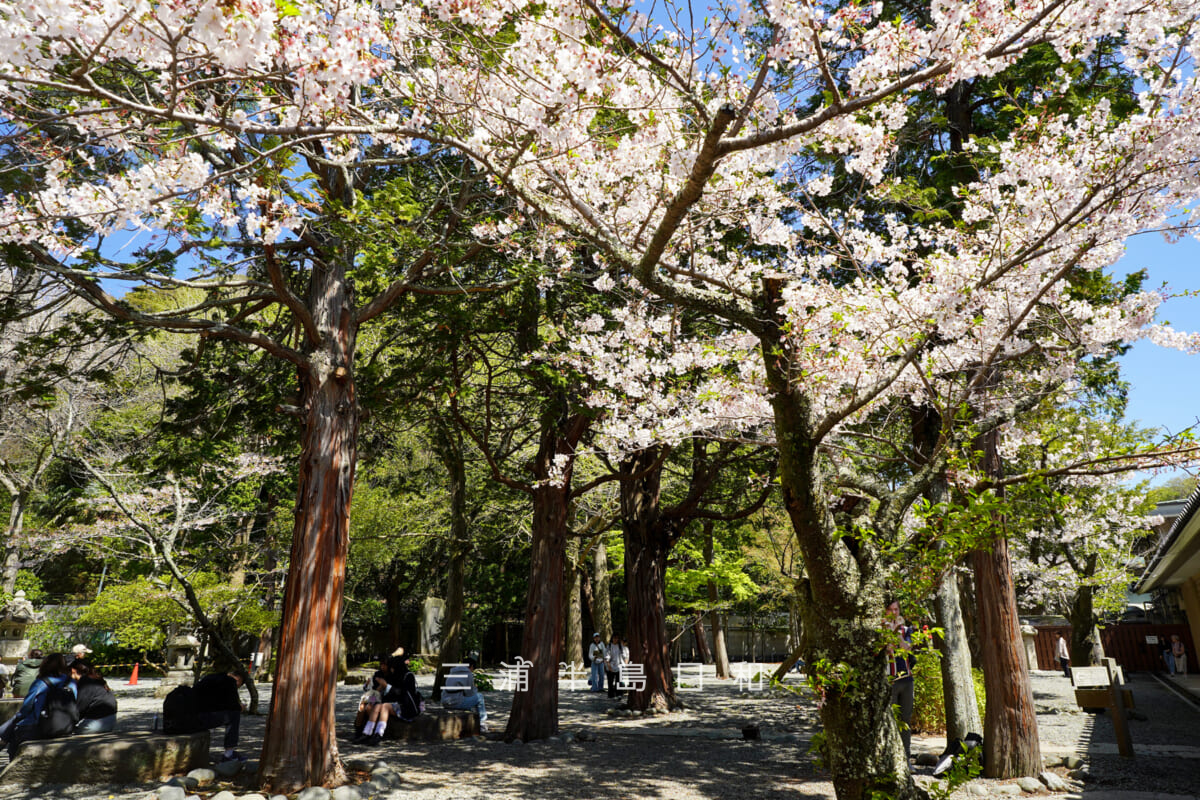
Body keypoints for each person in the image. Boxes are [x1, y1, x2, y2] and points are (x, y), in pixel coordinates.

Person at [1, 652, 76, 757]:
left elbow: (26, 708)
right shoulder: (71, 682)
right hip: (65, 725)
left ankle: (6, 750)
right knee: (13, 725)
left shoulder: (41, 683)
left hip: (39, 725)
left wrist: (17, 718)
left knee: (15, 734)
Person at [176, 670, 246, 763]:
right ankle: (229, 754)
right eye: (238, 685)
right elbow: (233, 706)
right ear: (238, 679)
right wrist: (240, 707)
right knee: (234, 714)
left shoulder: (212, 677)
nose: (236, 687)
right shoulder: (229, 681)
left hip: (182, 718)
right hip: (196, 719)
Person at [354, 651, 422, 745]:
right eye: (381, 664)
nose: (383, 667)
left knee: (377, 706)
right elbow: (373, 690)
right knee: (365, 704)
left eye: (385, 665)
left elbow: (400, 693)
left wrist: (385, 686)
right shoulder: (378, 674)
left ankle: (377, 734)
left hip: (400, 704)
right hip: (378, 697)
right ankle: (362, 732)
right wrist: (371, 687)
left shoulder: (398, 676)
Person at [885, 599, 915, 762]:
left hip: (906, 680)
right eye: (890, 610)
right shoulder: (881, 630)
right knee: (889, 721)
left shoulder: (906, 630)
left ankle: (906, 757)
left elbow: (906, 649)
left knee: (905, 720)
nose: (894, 613)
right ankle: (890, 759)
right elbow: (888, 649)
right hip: (890, 680)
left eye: (896, 610)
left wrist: (897, 632)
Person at [439, 657, 488, 733]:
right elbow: (470, 693)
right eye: (473, 668)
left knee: (469, 700)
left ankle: (473, 720)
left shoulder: (453, 671)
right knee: (479, 697)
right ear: (471, 666)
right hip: (456, 702)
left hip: (445, 701)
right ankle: (482, 722)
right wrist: (475, 688)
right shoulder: (468, 674)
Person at [72, 661, 118, 734]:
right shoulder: (96, 680)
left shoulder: (85, 682)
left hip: (98, 723)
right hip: (110, 720)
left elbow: (80, 708)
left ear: (73, 670)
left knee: (72, 731)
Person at [606, 634, 628, 699]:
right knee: (610, 681)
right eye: (614, 638)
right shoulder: (609, 646)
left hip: (619, 666)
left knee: (619, 681)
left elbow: (624, 656)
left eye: (617, 638)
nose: (615, 640)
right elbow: (607, 656)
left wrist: (626, 663)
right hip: (611, 665)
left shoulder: (620, 646)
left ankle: (619, 693)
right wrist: (608, 665)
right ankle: (611, 694)